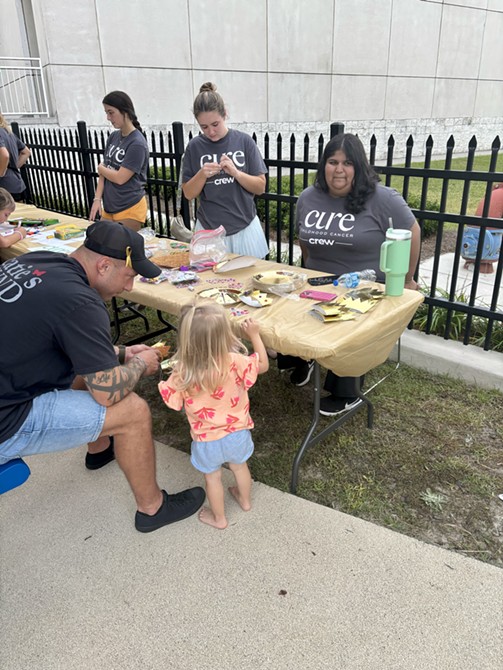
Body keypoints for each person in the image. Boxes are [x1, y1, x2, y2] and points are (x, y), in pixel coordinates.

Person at [0, 220, 205, 532]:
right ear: (105, 265)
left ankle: (98, 451)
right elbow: (106, 393)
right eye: (130, 276)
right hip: (6, 418)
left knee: (87, 367)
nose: (130, 287)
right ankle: (153, 509)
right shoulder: (81, 302)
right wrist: (139, 365)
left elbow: (62, 335)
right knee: (133, 411)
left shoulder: (39, 261)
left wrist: (121, 353)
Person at [279, 133, 420, 416]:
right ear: (324, 166)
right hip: (318, 282)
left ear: (360, 167)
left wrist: (406, 279)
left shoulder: (383, 199)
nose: (339, 169)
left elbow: (412, 232)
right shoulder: (308, 197)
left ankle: (347, 392)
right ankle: (301, 359)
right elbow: (303, 239)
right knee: (281, 306)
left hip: (365, 288)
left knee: (349, 322)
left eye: (347, 163)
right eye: (332, 162)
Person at [158, 303, 269, 529]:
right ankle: (245, 501)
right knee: (240, 467)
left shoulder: (183, 371)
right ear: (225, 334)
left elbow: (172, 401)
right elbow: (264, 365)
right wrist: (255, 335)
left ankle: (219, 518)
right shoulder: (234, 361)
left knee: (212, 478)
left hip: (206, 440)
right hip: (237, 432)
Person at [182, 82, 269, 258]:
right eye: (204, 127)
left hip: (245, 228)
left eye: (215, 124)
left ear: (225, 114)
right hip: (208, 230)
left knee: (249, 281)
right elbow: (188, 194)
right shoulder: (194, 146)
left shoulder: (244, 141)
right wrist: (201, 175)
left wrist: (236, 173)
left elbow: (260, 187)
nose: (211, 132)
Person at [89, 91, 149, 232]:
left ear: (125, 112)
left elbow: (120, 178)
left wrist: (101, 168)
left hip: (130, 207)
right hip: (110, 207)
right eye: (106, 113)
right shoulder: (114, 137)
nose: (108, 118)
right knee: (99, 243)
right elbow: (106, 172)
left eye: (111, 112)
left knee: (120, 250)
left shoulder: (137, 143)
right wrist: (97, 199)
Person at [0, 112, 31, 201]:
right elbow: (26, 152)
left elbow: (5, 155)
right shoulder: (8, 132)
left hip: (4, 189)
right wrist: (14, 166)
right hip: (17, 184)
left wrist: (1, 173)